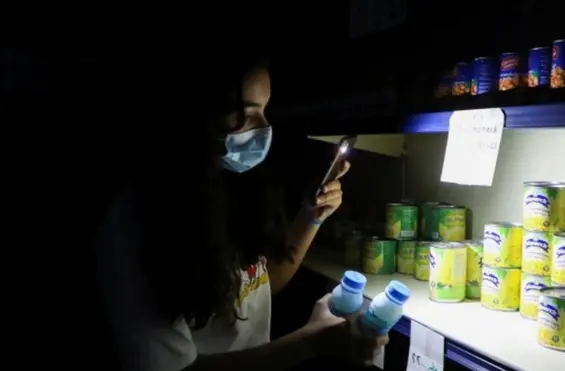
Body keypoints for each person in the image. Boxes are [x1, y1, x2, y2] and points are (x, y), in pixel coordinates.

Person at [95, 50, 388, 371]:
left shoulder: (224, 187)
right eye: (245, 113)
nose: (264, 129)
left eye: (263, 111)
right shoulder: (138, 221)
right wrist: (311, 341)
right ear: (197, 114)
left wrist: (312, 216)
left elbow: (258, 285)